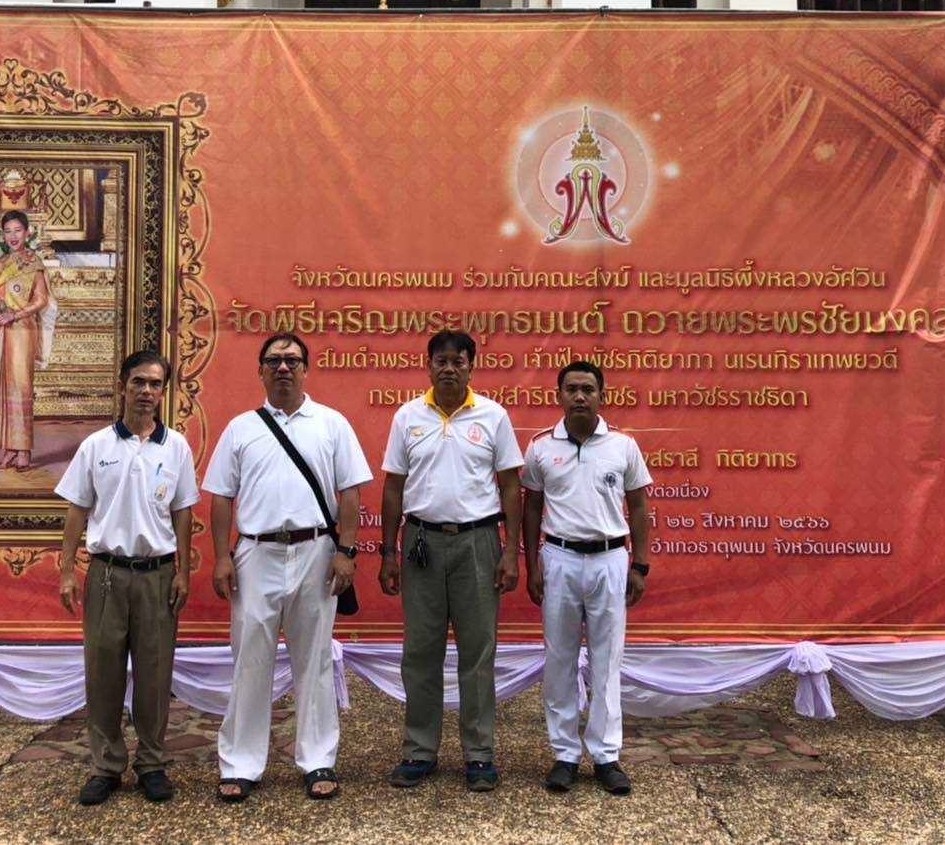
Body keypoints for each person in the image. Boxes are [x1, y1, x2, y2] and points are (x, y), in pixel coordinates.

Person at [203, 332, 371, 803]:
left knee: (314, 660)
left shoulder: (331, 424)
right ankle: (240, 764)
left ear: (305, 370)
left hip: (316, 552)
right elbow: (222, 497)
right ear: (260, 370)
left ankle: (317, 759)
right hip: (255, 554)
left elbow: (350, 491)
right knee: (250, 660)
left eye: (292, 360)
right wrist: (222, 556)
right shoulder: (241, 428)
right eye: (274, 360)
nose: (283, 367)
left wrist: (347, 551)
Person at [379, 329, 523, 792]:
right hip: (420, 542)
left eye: (457, 361)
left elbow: (510, 486)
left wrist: (511, 552)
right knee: (421, 651)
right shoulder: (407, 417)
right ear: (428, 366)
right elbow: (393, 488)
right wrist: (388, 552)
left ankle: (479, 754)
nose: (448, 369)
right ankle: (419, 750)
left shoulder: (493, 416)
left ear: (470, 367)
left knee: (477, 652)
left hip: (478, 543)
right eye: (440, 361)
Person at [55, 350, 198, 806]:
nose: (146, 392)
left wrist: (183, 571)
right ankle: (106, 765)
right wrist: (66, 571)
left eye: (155, 384)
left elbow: (183, 512)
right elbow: (77, 509)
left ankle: (152, 763)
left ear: (163, 392)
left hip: (157, 575)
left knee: (155, 673)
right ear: (122, 387)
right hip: (107, 574)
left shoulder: (176, 447)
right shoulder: (96, 446)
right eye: (138, 382)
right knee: (103, 672)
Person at [522, 360, 651, 796]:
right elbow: (532, 508)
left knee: (606, 659)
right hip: (558, 558)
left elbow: (639, 508)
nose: (580, 396)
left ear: (602, 395)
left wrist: (640, 565)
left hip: (610, 559)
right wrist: (532, 565)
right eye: (572, 389)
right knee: (559, 658)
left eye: (588, 389)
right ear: (559, 395)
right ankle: (564, 754)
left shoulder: (623, 446)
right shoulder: (541, 447)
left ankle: (606, 755)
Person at [0, 209, 56, 471]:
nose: (13, 236)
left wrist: (14, 314)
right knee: (4, 388)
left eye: (17, 230)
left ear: (27, 233)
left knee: (22, 387)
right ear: (2, 235)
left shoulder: (33, 263)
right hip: (2, 331)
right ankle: (9, 448)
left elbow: (41, 299)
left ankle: (24, 449)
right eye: (8, 231)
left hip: (23, 331)